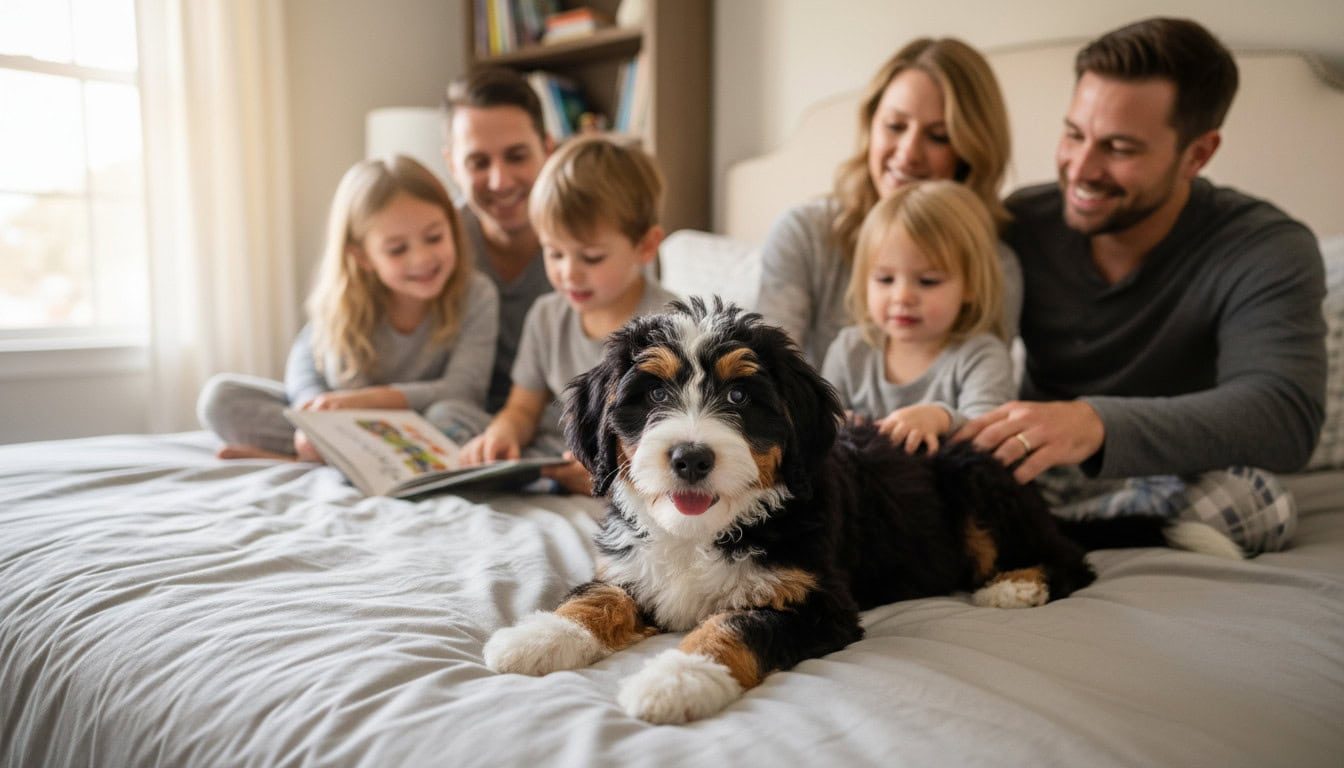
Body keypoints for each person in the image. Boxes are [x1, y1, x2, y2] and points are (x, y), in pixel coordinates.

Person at [957, 18, 1327, 554]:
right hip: (1040, 468)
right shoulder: (1020, 225)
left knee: (1251, 504)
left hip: (1179, 475)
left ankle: (1059, 531)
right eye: (1074, 134)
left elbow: (1283, 414)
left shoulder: (1265, 247)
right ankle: (1059, 526)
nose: (1081, 168)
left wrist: (1095, 424)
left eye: (1120, 148)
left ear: (1197, 155)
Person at [197, 155, 499, 461]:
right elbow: (305, 363)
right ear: (362, 256)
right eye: (397, 249)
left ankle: (315, 460)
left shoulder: (476, 294)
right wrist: (314, 416)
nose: (421, 259)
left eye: (434, 238)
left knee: (451, 416)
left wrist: (367, 401)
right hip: (350, 425)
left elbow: (463, 390)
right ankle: (328, 455)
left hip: (426, 422)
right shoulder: (345, 302)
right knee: (221, 397)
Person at [757, 37, 1022, 367]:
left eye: (938, 136)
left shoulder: (993, 265)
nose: (909, 152)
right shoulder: (805, 235)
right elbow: (769, 378)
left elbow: (985, 395)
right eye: (895, 126)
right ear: (871, 127)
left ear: (970, 153)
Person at [457, 136, 679, 494]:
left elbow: (677, 434)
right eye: (554, 253)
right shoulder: (546, 316)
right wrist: (504, 432)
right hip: (555, 462)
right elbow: (523, 408)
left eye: (591, 258)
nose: (569, 273)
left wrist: (613, 472)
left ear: (646, 246)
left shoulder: (670, 326)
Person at [822, 180, 1014, 455]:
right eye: (885, 279)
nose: (902, 297)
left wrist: (940, 418)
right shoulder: (849, 349)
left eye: (927, 281)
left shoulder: (981, 356)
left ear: (970, 285)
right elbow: (822, 424)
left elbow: (989, 433)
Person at [442, 67, 555, 414]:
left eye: (516, 156)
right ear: (452, 165)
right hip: (456, 415)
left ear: (548, 150)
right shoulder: (432, 242)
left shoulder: (599, 244)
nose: (500, 181)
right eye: (478, 162)